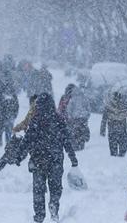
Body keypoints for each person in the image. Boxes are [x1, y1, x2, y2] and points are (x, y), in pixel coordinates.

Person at [17, 93, 78, 223]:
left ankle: (39, 215)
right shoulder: (59, 120)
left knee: (38, 190)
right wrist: (73, 159)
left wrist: (19, 155)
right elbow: (67, 141)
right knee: (55, 187)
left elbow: (27, 140)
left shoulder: (36, 120)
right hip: (55, 159)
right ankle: (54, 205)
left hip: (38, 160)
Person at [0, 95, 37, 177]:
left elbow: (26, 123)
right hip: (36, 140)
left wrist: (17, 128)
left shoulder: (34, 110)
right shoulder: (42, 111)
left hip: (31, 139)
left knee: (9, 153)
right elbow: (26, 122)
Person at [0, 65, 19, 146]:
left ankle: (6, 145)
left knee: (7, 130)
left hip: (6, 112)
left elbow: (15, 100)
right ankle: (1, 144)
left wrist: (14, 111)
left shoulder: (9, 87)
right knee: (1, 130)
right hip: (2, 111)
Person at [100, 91, 127, 156]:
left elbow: (104, 120)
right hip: (122, 128)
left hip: (112, 129)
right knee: (123, 145)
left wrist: (102, 131)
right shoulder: (124, 106)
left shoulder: (108, 107)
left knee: (113, 146)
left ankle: (114, 158)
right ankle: (121, 156)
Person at [58, 84, 92, 151]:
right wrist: (86, 116)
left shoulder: (68, 98)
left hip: (71, 119)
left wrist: (67, 117)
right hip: (82, 118)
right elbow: (88, 108)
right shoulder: (83, 97)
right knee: (81, 130)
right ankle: (82, 141)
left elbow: (63, 108)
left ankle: (74, 145)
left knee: (73, 132)